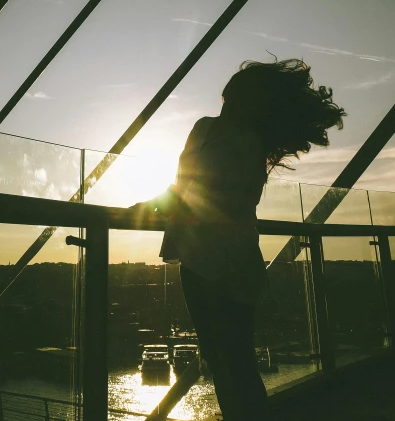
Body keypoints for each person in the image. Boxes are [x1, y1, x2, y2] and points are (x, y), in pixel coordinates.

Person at [129, 58, 346, 421]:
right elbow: (187, 186)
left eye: (242, 86)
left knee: (236, 363)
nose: (230, 88)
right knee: (219, 359)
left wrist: (160, 205)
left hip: (231, 262)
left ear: (250, 99)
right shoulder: (202, 127)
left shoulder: (248, 142)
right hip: (194, 257)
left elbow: (227, 199)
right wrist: (162, 203)